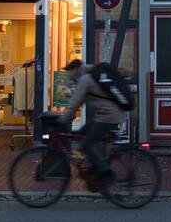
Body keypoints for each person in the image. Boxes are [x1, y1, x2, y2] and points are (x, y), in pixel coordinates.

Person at [56, 59, 132, 187]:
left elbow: (74, 104)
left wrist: (62, 120)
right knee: (81, 134)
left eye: (70, 76)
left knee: (85, 145)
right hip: (104, 116)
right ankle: (95, 167)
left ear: (75, 71)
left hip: (108, 117)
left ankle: (107, 173)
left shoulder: (85, 80)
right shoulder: (90, 74)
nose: (71, 80)